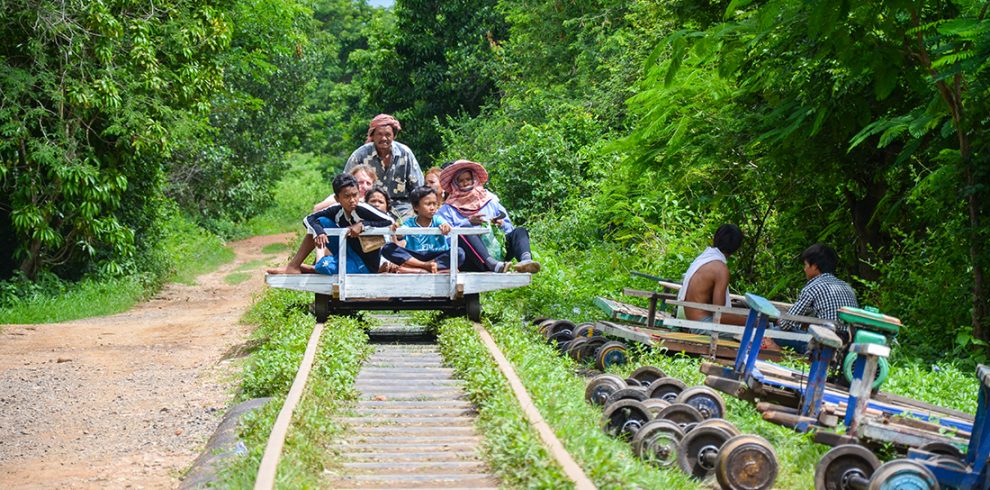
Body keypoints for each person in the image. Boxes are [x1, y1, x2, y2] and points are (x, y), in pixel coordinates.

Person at [436, 160, 540, 273]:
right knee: (466, 231)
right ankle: (491, 263)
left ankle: (526, 261)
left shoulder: (490, 201)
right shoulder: (447, 209)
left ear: (474, 179)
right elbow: (446, 239)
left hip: (499, 251)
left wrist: (501, 224)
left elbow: (509, 228)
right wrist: (468, 223)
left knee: (520, 231)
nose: (465, 183)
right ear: (454, 183)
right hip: (473, 259)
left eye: (468, 179)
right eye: (461, 181)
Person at [773, 243, 859, 353]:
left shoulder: (814, 286)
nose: (804, 269)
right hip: (846, 345)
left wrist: (780, 319)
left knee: (774, 331)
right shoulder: (847, 287)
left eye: (805, 265)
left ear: (814, 266)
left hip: (823, 343)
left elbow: (786, 324)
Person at [304, 174, 395, 273]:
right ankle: (298, 265)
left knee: (323, 266)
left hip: (365, 264)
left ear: (359, 194)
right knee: (323, 221)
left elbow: (390, 221)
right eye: (347, 196)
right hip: (346, 251)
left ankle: (312, 268)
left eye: (355, 195)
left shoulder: (363, 209)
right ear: (337, 198)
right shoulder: (336, 210)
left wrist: (362, 225)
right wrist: (319, 231)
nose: (352, 200)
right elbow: (309, 218)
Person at [344, 114, 424, 218]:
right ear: (372, 136)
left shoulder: (405, 153)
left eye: (388, 134)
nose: (384, 138)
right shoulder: (360, 155)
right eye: (379, 134)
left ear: (394, 136)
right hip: (368, 206)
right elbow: (345, 184)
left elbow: (418, 188)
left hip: (402, 208)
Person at [677, 224, 748, 327]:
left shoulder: (704, 258)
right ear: (736, 248)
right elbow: (719, 314)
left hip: (691, 319)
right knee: (756, 334)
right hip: (703, 324)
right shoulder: (720, 269)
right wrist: (751, 322)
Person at [381, 186, 465, 272]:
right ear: (416, 207)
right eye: (428, 204)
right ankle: (426, 266)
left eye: (434, 203)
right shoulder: (409, 223)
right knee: (387, 248)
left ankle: (417, 268)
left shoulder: (437, 219)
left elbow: (444, 224)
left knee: (459, 252)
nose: (432, 207)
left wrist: (445, 227)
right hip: (415, 255)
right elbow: (401, 233)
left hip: (436, 255)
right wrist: (397, 230)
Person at [313, 164, 378, 213]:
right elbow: (317, 209)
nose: (365, 186)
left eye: (368, 183)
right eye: (360, 182)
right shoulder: (338, 197)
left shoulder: (376, 200)